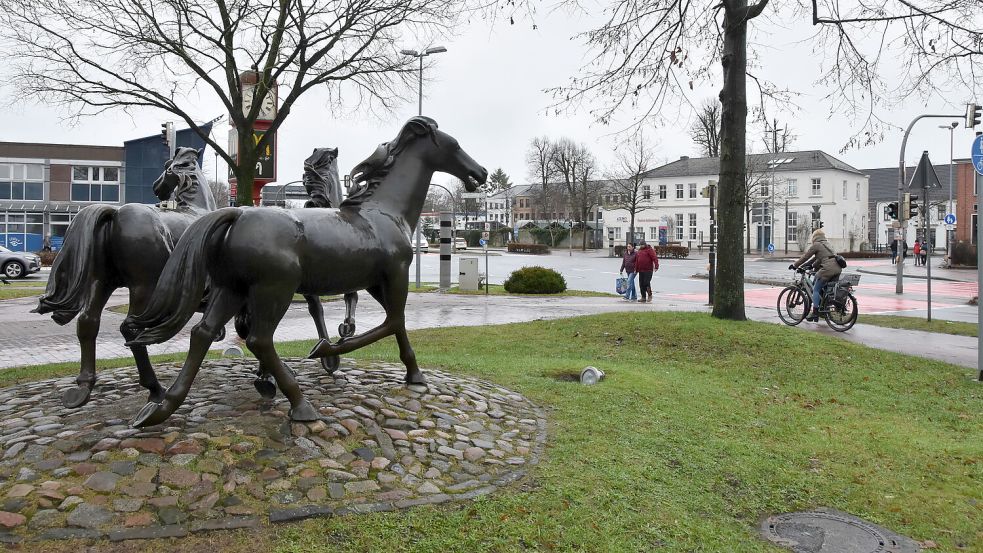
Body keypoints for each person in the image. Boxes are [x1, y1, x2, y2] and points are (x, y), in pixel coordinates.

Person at [789, 228, 843, 322]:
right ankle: (824, 310)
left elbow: (806, 256)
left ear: (814, 237)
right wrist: (811, 266)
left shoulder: (816, 245)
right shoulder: (827, 244)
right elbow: (820, 258)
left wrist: (795, 265)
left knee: (816, 290)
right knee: (825, 290)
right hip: (837, 269)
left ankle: (815, 313)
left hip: (828, 269)